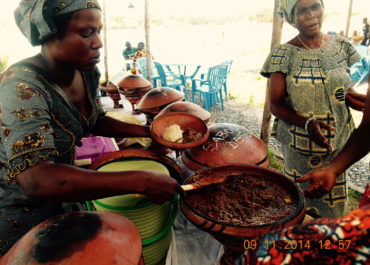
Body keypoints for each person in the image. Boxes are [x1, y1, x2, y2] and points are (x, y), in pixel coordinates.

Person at [0, 0, 179, 256]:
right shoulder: (21, 89)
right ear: (50, 36)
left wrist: (147, 132)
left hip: (62, 197)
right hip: (19, 213)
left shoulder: (85, 72)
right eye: (86, 33)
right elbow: (35, 180)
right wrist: (140, 180)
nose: (98, 42)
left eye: (98, 30)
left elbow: (93, 119)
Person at [261, 0, 363, 218]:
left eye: (315, 7)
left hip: (338, 147)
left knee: (332, 210)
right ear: (291, 18)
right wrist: (307, 123)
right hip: (300, 149)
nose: (311, 15)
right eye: (302, 11)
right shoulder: (282, 55)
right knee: (296, 205)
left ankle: (326, 243)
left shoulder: (341, 46)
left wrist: (353, 97)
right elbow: (276, 105)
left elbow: (341, 84)